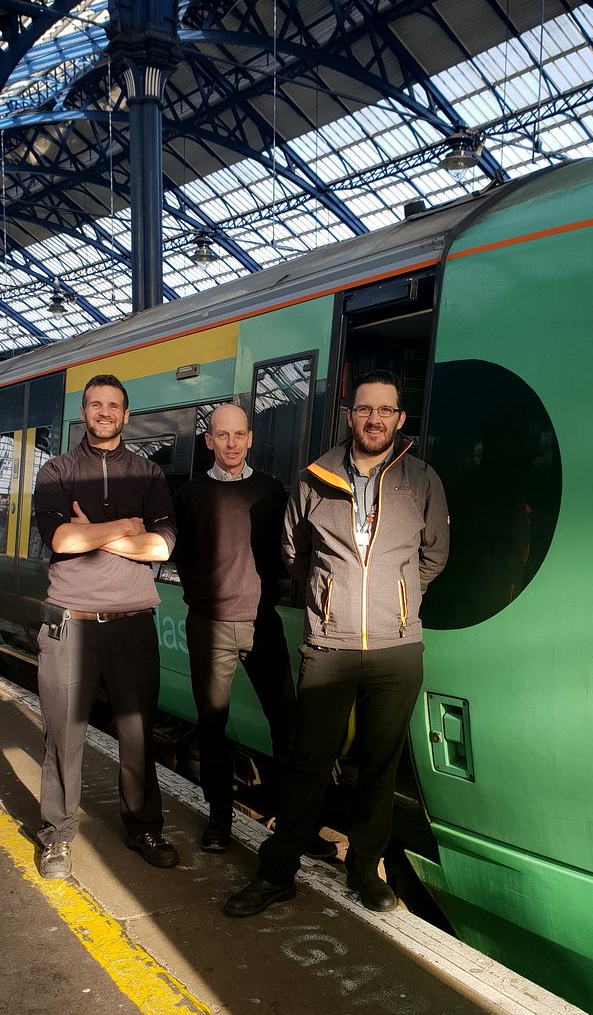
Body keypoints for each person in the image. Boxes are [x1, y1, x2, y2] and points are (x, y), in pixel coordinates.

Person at [225, 369, 449, 916]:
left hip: (397, 651)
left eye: (385, 411)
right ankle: (277, 871)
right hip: (328, 648)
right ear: (351, 416)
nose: (374, 419)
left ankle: (365, 872)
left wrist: (394, 602)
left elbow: (433, 554)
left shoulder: (422, 480)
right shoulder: (314, 479)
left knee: (379, 764)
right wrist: (333, 600)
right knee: (307, 762)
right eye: (365, 409)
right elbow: (294, 554)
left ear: (400, 420)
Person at [34, 374, 179, 879]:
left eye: (112, 405)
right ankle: (56, 835)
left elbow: (161, 547)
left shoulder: (148, 474)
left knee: (138, 734)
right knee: (63, 734)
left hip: (132, 621)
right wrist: (124, 528)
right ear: (84, 412)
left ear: (126, 413)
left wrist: (93, 533)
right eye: (95, 405)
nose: (104, 412)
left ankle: (143, 827)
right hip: (69, 624)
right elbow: (60, 539)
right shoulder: (56, 470)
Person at [173, 403, 298, 852]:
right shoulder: (190, 495)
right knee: (212, 726)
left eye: (238, 435)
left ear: (250, 439)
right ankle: (219, 821)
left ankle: (297, 827)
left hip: (262, 625)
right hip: (209, 626)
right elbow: (181, 558)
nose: (230, 443)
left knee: (286, 723)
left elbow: (284, 555)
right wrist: (205, 600)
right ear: (209, 441)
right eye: (221, 435)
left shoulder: (271, 491)